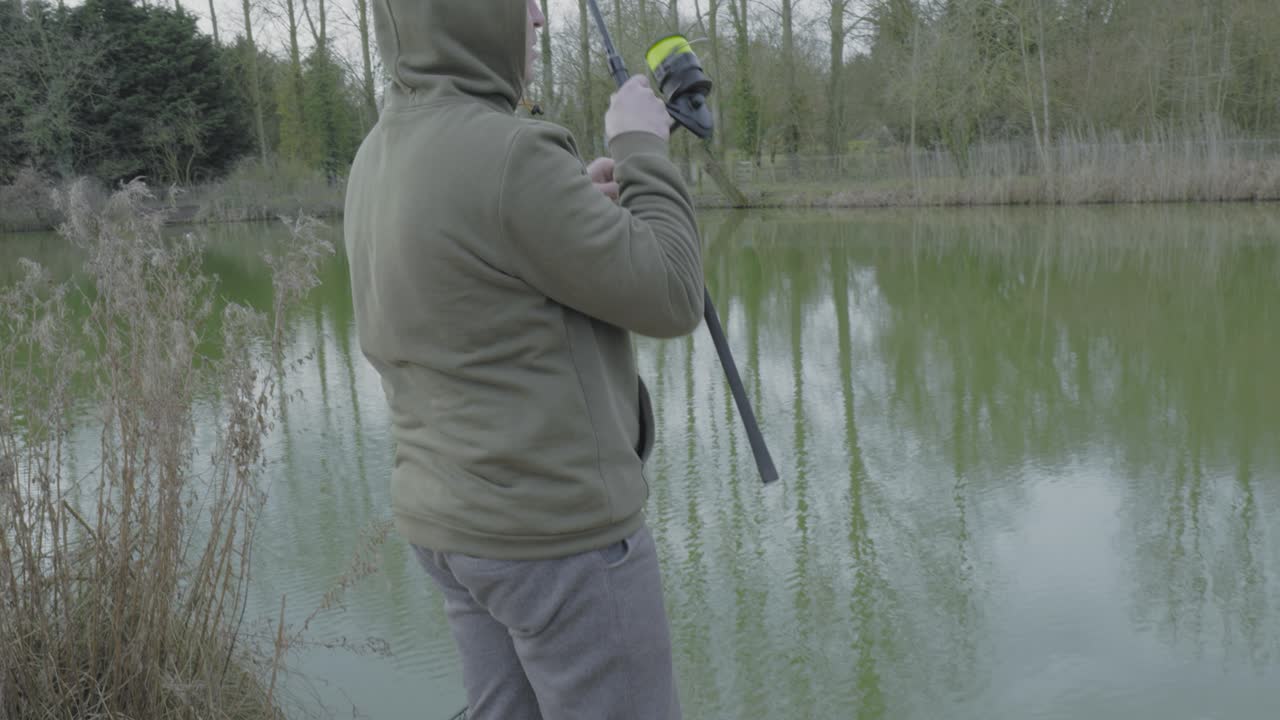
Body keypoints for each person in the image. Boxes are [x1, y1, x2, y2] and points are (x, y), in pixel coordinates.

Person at [343, 1, 704, 718]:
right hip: (558, 540)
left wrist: (576, 203)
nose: (537, 18)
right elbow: (672, 292)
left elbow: (484, 267)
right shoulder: (508, 152)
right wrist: (641, 151)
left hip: (451, 531)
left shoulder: (378, 152)